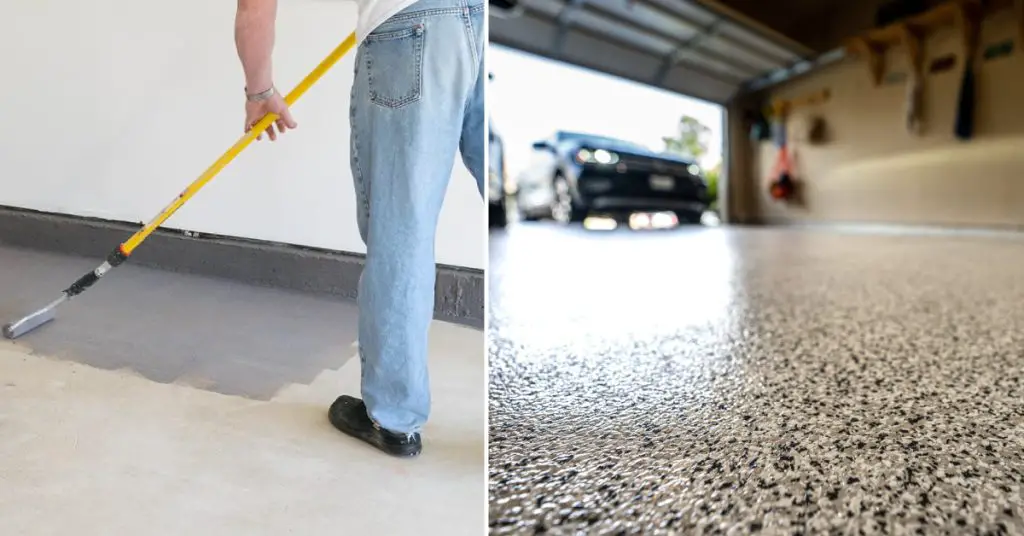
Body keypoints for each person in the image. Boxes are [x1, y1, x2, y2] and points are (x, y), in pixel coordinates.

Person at [233, 0, 484, 457]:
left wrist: (258, 91)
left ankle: (394, 419)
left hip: (413, 29)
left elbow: (255, 7)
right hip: (484, 21)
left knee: (401, 230)